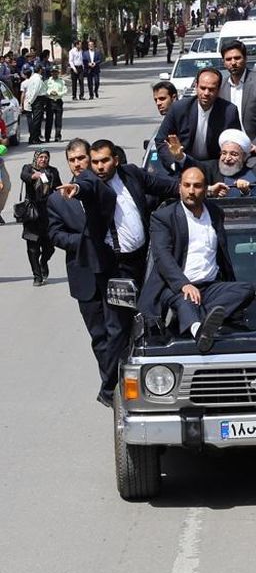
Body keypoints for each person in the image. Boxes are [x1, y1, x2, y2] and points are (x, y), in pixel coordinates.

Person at [57, 139, 180, 406]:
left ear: (116, 159)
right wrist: (76, 188)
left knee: (151, 316)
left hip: (143, 260)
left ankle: (152, 377)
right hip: (115, 267)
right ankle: (109, 389)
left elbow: (162, 186)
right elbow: (85, 187)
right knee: (117, 327)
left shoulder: (132, 174)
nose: (99, 167)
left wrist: (189, 188)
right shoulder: (92, 182)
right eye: (95, 162)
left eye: (104, 161)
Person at [137, 167, 255, 352]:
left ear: (205, 188)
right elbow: (163, 256)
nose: (191, 191)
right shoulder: (163, 217)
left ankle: (204, 317)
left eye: (197, 186)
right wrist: (184, 284)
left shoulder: (215, 213)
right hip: (176, 287)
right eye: (187, 185)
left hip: (210, 287)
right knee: (187, 302)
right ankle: (200, 332)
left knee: (245, 290)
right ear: (179, 188)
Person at [47, 139, 108, 392]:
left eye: (81, 158)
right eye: (72, 160)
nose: (77, 164)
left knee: (124, 333)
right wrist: (83, 241)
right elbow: (55, 234)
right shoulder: (57, 199)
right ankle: (111, 385)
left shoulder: (105, 187)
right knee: (100, 337)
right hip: (84, 276)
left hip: (115, 271)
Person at [154, 67, 241, 173]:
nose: (206, 93)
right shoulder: (179, 109)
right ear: (196, 86)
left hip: (215, 169)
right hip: (183, 166)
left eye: (211, 89)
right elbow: (160, 140)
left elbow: (236, 144)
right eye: (202, 88)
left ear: (218, 90)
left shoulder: (229, 111)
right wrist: (174, 162)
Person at [19, 149, 61, 285]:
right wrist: (34, 176)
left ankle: (43, 263)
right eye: (41, 157)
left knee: (50, 247)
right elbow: (24, 176)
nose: (44, 160)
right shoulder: (28, 168)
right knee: (33, 248)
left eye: (46, 157)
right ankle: (37, 276)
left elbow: (58, 187)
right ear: (36, 158)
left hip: (48, 213)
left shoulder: (53, 171)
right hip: (32, 214)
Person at [218, 40, 256, 139]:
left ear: (245, 58)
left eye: (237, 58)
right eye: (228, 59)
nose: (233, 62)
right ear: (224, 62)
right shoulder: (221, 86)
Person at [191, 129, 256, 197]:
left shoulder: (255, 175)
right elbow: (189, 190)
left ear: (244, 156)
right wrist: (209, 191)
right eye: (224, 153)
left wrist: (246, 192)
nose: (227, 158)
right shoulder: (208, 169)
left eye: (234, 154)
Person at [44, 67, 65, 142]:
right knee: (49, 120)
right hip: (50, 101)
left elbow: (64, 90)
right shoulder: (47, 81)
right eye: (53, 72)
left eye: (56, 72)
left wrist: (58, 93)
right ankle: (47, 137)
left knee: (58, 121)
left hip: (58, 101)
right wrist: (50, 92)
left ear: (58, 73)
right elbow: (44, 91)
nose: (54, 73)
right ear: (51, 73)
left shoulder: (61, 81)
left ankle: (57, 136)